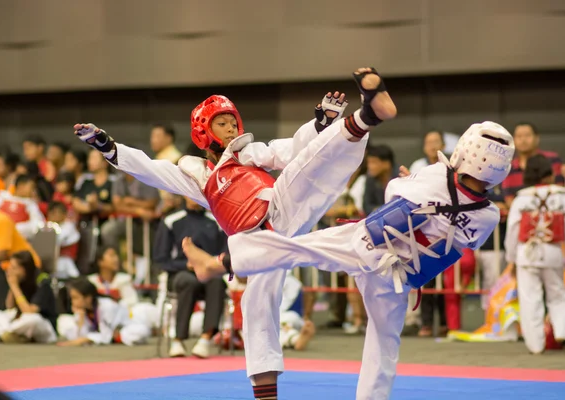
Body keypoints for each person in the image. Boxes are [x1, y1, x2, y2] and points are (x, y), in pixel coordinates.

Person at [74, 67, 397, 400]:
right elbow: (152, 171)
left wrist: (320, 124)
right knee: (257, 313)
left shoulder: (247, 151)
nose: (231, 129)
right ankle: (265, 395)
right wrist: (106, 145)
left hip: (280, 208)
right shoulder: (196, 173)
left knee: (309, 169)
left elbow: (288, 151)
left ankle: (366, 116)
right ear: (203, 130)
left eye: (233, 123)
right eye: (222, 123)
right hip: (254, 242)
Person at [183, 121, 514, 400]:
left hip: (368, 245)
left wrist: (406, 181)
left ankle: (217, 263)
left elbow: (393, 194)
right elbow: (459, 235)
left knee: (296, 248)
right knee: (384, 344)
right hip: (400, 278)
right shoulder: (489, 215)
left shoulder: (438, 175)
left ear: (465, 151)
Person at [504, 154, 565, 354]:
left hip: (526, 254)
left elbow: (512, 230)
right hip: (553, 252)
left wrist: (511, 259)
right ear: (549, 174)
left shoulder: (521, 199)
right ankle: (564, 333)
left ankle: (536, 345)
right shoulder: (562, 197)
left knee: (530, 299)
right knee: (559, 295)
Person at [153, 196, 227, 358]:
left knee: (217, 283)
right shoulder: (171, 220)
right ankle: (178, 339)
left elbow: (224, 254)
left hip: (209, 273)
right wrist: (185, 265)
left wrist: (209, 265)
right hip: (180, 273)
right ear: (184, 194)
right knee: (189, 282)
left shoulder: (216, 221)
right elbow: (160, 258)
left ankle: (205, 338)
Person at [0, 251, 57, 344]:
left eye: (14, 268)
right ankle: (12, 335)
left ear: (24, 269)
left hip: (43, 327)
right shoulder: (21, 280)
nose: (9, 270)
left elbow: (29, 312)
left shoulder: (42, 282)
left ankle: (3, 334)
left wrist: (14, 286)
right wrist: (12, 286)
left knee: (32, 320)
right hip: (19, 322)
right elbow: (9, 307)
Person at [57, 277, 151, 346]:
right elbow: (79, 337)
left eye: (76, 298)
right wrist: (80, 318)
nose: (73, 302)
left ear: (88, 298)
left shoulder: (106, 306)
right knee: (63, 320)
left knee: (141, 330)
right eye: (72, 298)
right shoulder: (83, 311)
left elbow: (106, 334)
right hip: (109, 335)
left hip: (125, 328)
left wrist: (85, 339)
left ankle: (119, 339)